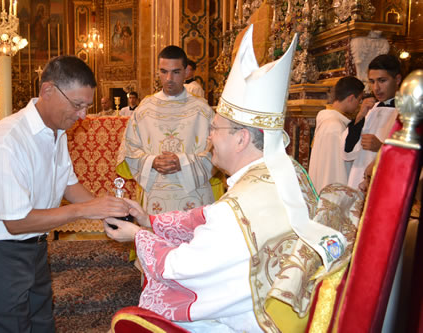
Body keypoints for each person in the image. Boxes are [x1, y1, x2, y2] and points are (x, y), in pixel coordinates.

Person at [106, 26, 348, 332]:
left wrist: (136, 235)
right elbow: (208, 217)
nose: (208, 137)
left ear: (241, 138)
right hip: (272, 300)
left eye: (216, 129)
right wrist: (148, 221)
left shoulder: (233, 212)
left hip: (250, 320)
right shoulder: (290, 174)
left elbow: (182, 268)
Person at [0, 55, 131, 333]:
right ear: (48, 91)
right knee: (9, 327)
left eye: (86, 106)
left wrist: (108, 209)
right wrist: (82, 211)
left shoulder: (56, 131)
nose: (82, 115)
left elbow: (67, 183)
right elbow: (16, 222)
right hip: (1, 253)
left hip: (36, 248)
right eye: (77, 105)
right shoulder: (9, 139)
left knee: (41, 323)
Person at [117, 46, 215, 214]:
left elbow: (217, 151)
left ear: (186, 72)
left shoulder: (202, 110)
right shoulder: (144, 109)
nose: (169, 78)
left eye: (176, 72)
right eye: (164, 71)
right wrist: (152, 162)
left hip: (193, 195)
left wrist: (183, 163)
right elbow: (129, 150)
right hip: (156, 193)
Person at [343, 54, 401, 189]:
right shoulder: (370, 109)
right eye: (372, 81)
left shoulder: (406, 112)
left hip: (386, 182)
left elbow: (412, 157)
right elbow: (347, 150)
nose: (376, 88)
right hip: (358, 177)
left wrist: (381, 148)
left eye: (382, 80)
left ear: (397, 79)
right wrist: (360, 116)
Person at [309, 76, 365, 192]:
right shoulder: (336, 127)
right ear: (351, 98)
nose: (359, 105)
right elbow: (338, 170)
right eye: (359, 100)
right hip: (331, 193)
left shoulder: (327, 121)